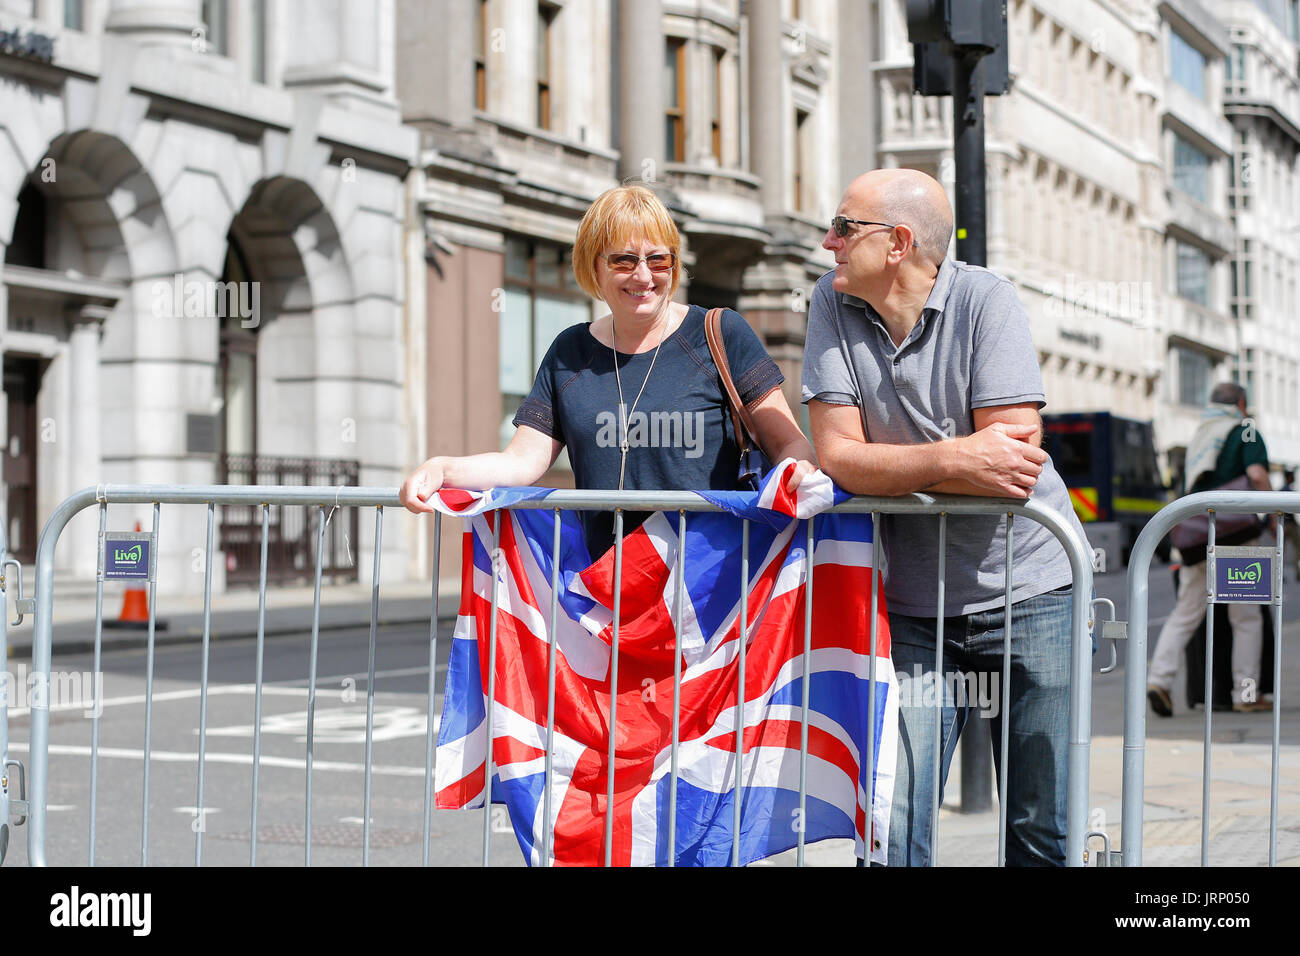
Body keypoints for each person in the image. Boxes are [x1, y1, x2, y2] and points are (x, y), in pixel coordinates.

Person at [801, 168, 1088, 867]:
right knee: (893, 824)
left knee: (1039, 827)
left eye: (844, 227)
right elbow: (837, 456)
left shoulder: (987, 299)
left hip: (1034, 594)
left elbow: (1013, 467)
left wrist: (890, 464)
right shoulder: (831, 303)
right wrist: (960, 454)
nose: (828, 242)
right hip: (912, 608)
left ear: (897, 242)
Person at [399, 184, 817, 555]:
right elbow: (521, 462)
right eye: (623, 260)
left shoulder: (721, 333)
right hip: (609, 594)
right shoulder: (571, 350)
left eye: (658, 260)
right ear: (594, 267)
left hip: (713, 594)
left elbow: (790, 445)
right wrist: (443, 468)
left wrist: (797, 473)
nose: (643, 276)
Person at [1146, 382, 1273, 716]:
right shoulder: (1244, 430)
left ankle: (1159, 679)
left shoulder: (1201, 434)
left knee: (1185, 613)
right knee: (1246, 618)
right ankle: (1245, 694)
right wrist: (1274, 512)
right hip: (1238, 536)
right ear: (1242, 404)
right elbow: (1257, 474)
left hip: (1198, 536)